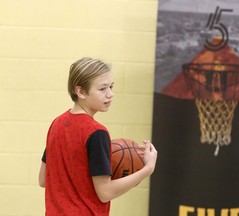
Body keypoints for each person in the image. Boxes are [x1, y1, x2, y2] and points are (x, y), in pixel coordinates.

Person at [38, 57, 158, 216]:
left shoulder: (56, 124)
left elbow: (43, 180)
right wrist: (147, 169)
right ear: (80, 91)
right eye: (102, 89)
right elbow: (105, 192)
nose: (110, 94)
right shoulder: (96, 133)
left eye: (111, 87)